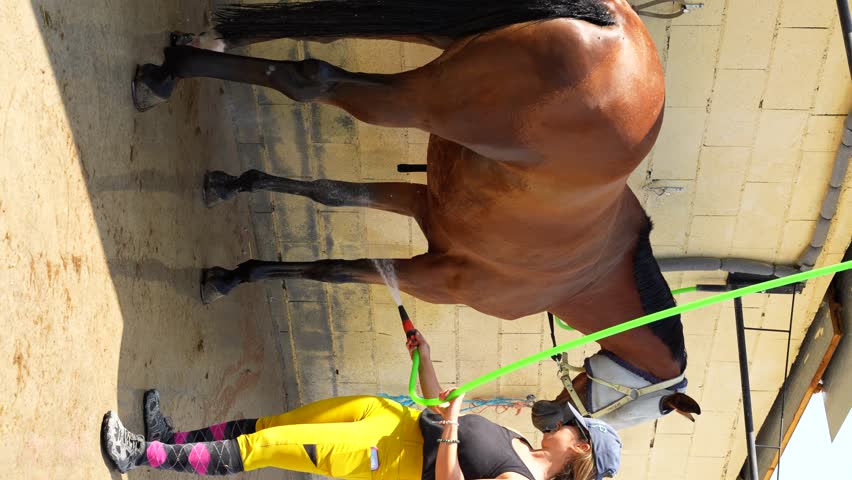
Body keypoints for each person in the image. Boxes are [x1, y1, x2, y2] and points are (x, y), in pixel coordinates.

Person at [102, 331, 622, 479]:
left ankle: (139, 456)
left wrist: (453, 429)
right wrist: (430, 358)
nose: (560, 422)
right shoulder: (521, 445)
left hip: (382, 457)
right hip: (386, 416)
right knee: (268, 423)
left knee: (264, 446)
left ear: (578, 447)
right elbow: (446, 410)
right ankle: (169, 439)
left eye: (570, 426)